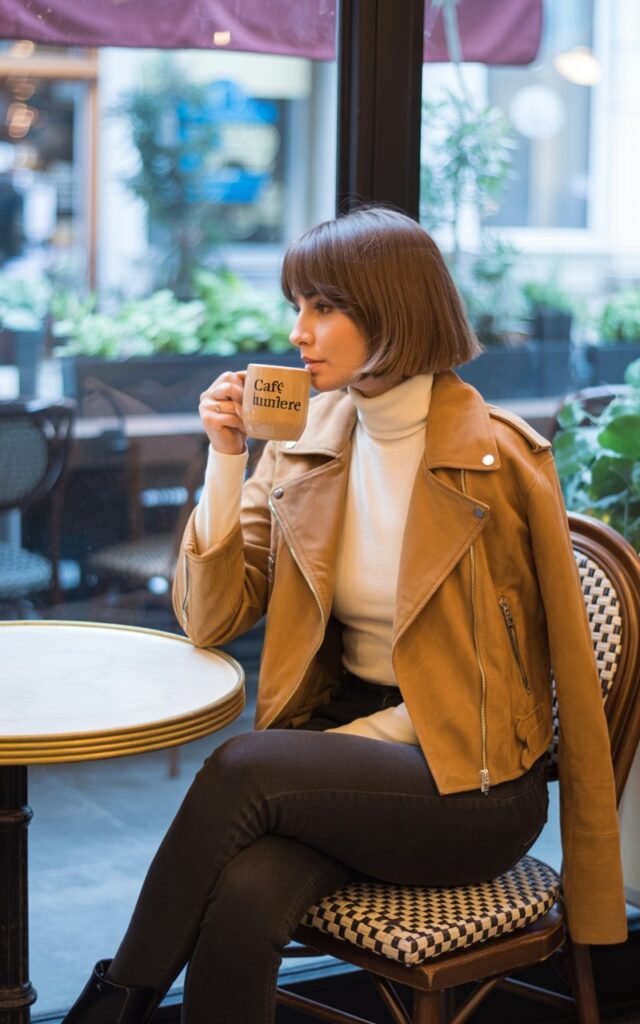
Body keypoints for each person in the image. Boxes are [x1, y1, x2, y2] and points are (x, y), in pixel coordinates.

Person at [64, 207, 626, 1024]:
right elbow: (211, 619)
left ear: (392, 313)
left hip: (471, 783)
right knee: (251, 890)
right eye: (297, 306)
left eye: (324, 307)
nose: (299, 332)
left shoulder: (498, 462)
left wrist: (593, 869)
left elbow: (556, 671)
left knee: (243, 767)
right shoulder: (301, 446)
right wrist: (228, 458)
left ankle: (117, 1000)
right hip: (342, 761)